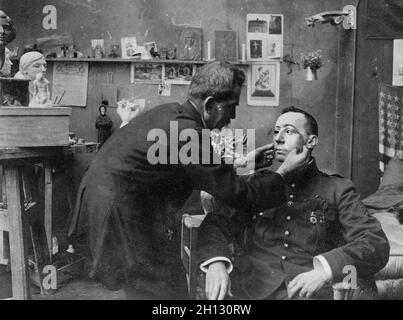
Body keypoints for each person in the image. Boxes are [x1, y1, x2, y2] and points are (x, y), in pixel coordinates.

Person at [67, 62, 309, 299]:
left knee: (161, 284)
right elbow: (238, 194)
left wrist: (245, 162)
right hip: (119, 215)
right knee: (161, 288)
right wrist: (283, 173)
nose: (233, 115)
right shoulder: (189, 132)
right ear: (211, 105)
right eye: (232, 106)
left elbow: (189, 167)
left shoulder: (172, 113)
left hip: (111, 206)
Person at [197, 106, 390, 300]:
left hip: (309, 293)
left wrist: (325, 271)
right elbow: (215, 224)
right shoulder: (258, 185)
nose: (278, 138)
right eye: (276, 131)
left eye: (288, 131)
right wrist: (216, 265)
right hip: (251, 290)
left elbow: (374, 242)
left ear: (311, 141)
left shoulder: (338, 189)